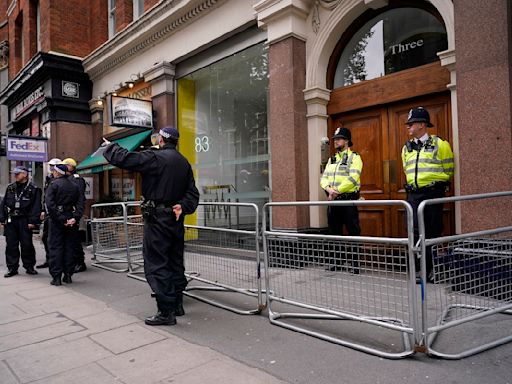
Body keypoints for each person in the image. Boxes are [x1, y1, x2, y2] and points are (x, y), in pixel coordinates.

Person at [103, 126, 199, 326]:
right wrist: (183, 206)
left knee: (157, 264)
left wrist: (110, 147)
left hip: (157, 219)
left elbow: (127, 159)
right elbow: (193, 194)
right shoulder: (183, 163)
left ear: (162, 140)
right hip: (174, 218)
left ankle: (166, 312)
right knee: (174, 262)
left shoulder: (156, 157)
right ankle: (177, 304)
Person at [401, 107, 454, 283]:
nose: (408, 127)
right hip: (413, 196)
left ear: (422, 125)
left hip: (432, 194)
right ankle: (418, 270)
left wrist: (435, 183)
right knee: (414, 232)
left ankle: (431, 270)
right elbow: (406, 170)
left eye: (411, 123)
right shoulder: (406, 148)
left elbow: (449, 169)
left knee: (431, 232)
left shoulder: (440, 144)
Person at [320, 127, 362, 274]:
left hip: (348, 200)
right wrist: (329, 190)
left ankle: (355, 264)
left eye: (339, 139)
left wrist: (336, 191)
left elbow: (353, 177)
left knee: (353, 232)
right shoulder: (332, 159)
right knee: (334, 232)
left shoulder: (355, 157)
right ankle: (336, 262)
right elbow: (323, 178)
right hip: (333, 201)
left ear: (347, 141)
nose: (336, 141)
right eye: (335, 139)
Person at [45, 163, 83, 286]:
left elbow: (50, 205)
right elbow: (80, 204)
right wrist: (75, 218)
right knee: (69, 247)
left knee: (56, 247)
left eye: (53, 171)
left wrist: (60, 219)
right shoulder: (75, 185)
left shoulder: (53, 184)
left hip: (57, 219)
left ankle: (56, 277)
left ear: (57, 173)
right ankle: (68, 275)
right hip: (70, 217)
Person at [0, 166, 42, 278]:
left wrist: (32, 221)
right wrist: (2, 218)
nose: (15, 176)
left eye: (17, 174)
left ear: (25, 174)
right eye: (14, 174)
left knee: (26, 244)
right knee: (11, 245)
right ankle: (12, 268)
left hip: (25, 219)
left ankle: (29, 266)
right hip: (11, 219)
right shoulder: (10, 188)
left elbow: (36, 206)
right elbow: (3, 204)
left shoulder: (33, 188)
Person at [62, 157, 87, 273]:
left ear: (72, 166)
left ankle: (80, 262)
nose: (65, 166)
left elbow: (79, 197)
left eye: (67, 164)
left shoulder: (77, 179)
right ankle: (72, 261)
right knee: (69, 239)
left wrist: (77, 214)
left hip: (73, 212)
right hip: (66, 212)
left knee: (75, 239)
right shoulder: (65, 178)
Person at [37, 158, 62, 269]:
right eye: (50, 166)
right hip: (48, 213)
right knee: (46, 237)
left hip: (57, 213)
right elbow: (46, 197)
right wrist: (43, 209)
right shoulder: (49, 179)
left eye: (53, 167)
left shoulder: (60, 180)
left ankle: (59, 262)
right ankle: (49, 259)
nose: (51, 169)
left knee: (56, 240)